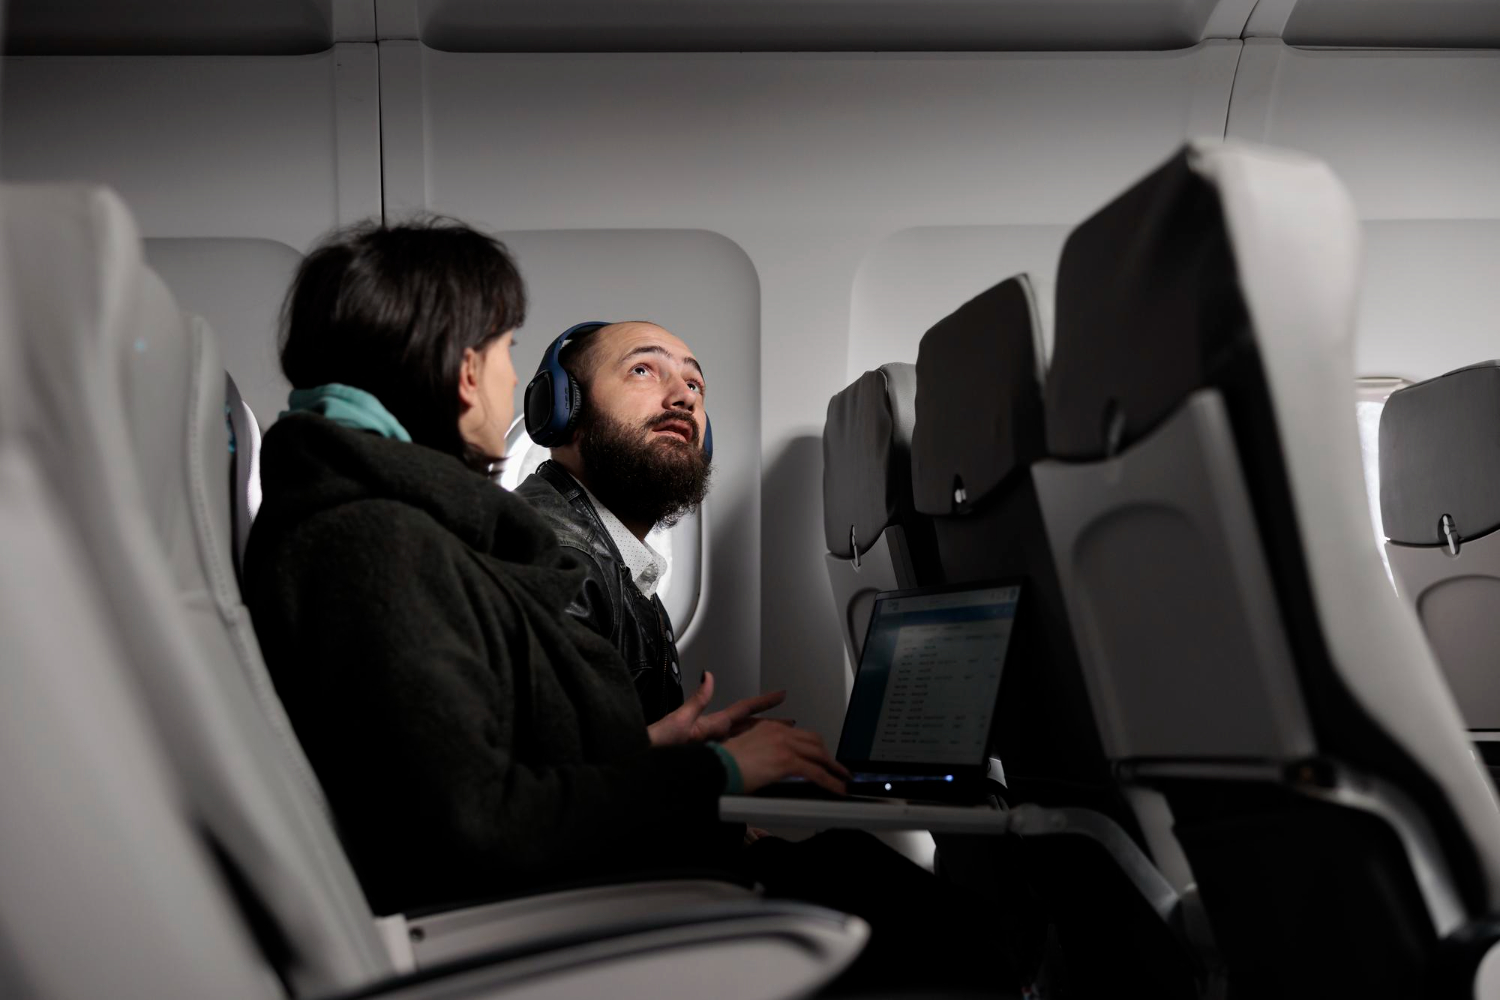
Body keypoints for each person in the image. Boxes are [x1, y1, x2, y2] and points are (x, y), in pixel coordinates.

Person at [244, 218, 1018, 994]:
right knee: (934, 934)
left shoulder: (407, 530)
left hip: (577, 888)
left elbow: (482, 748)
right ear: (466, 368)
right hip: (541, 927)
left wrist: (653, 750)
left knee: (871, 879)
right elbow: (471, 824)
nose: (684, 394)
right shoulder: (376, 543)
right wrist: (711, 772)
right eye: (509, 349)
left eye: (696, 382)